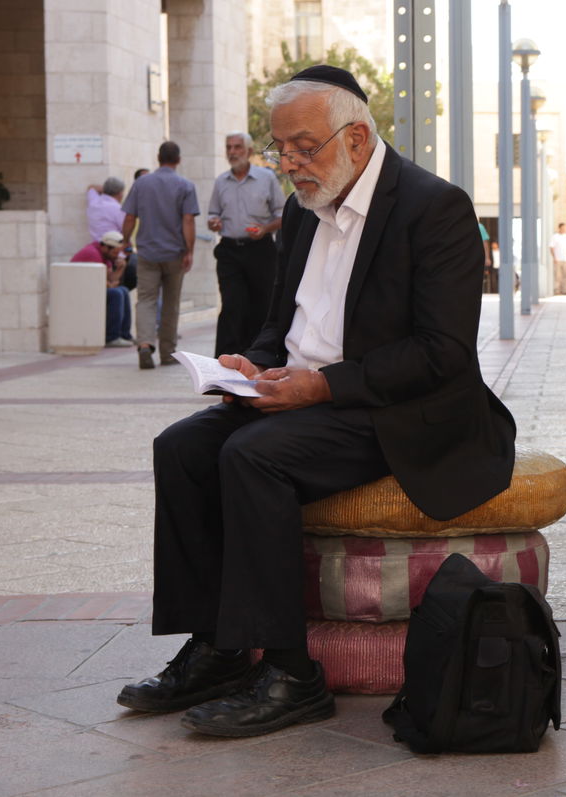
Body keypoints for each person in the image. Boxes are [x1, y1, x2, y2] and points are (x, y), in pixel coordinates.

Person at [116, 65, 516, 739]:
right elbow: (284, 327)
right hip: (309, 396)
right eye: (282, 149)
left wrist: (321, 386)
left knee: (253, 457)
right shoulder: (303, 211)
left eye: (305, 147)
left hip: (394, 408)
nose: (291, 164)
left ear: (356, 138)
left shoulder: (434, 208)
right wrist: (256, 364)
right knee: (181, 448)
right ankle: (216, 647)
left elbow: (442, 352)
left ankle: (292, 672)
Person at [121, 141, 198, 370]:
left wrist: (126, 240)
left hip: (147, 252)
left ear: (158, 158)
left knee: (146, 299)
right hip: (175, 253)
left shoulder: (141, 183)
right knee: (171, 303)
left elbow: (129, 218)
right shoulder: (185, 185)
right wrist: (189, 250)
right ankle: (167, 352)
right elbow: (188, 220)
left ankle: (145, 344)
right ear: (178, 159)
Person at [208, 132, 285, 357]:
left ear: (249, 151)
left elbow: (281, 215)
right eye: (229, 147)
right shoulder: (221, 181)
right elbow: (213, 213)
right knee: (232, 306)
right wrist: (214, 222)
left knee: (262, 306)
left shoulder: (267, 178)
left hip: (260, 251)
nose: (232, 152)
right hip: (229, 250)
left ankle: (257, 358)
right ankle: (224, 364)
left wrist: (265, 229)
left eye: (237, 147)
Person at [71, 230, 133, 347]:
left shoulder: (105, 255)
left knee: (123, 290)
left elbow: (112, 279)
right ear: (106, 247)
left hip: (92, 288)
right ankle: (111, 337)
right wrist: (110, 284)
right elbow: (106, 284)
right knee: (116, 294)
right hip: (79, 291)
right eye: (115, 252)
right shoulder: (92, 254)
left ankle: (125, 335)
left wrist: (121, 268)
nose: (116, 256)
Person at [85, 177, 126, 242]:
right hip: (113, 247)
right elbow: (126, 229)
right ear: (120, 193)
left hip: (95, 245)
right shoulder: (119, 209)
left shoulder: (93, 202)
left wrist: (104, 189)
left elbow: (91, 187)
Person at [549, 222, 566, 295]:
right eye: (563, 228)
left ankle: (565, 290)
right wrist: (554, 257)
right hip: (558, 259)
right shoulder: (555, 237)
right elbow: (551, 248)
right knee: (557, 276)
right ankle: (557, 290)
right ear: (559, 228)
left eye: (565, 228)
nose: (564, 229)